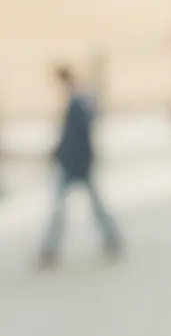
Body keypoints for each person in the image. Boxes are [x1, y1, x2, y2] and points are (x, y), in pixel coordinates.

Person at [38, 65, 121, 267]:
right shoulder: (81, 100)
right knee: (90, 206)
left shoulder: (78, 103)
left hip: (74, 163)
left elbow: (74, 137)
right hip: (76, 162)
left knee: (61, 210)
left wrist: (60, 156)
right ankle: (112, 239)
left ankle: (50, 250)